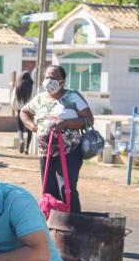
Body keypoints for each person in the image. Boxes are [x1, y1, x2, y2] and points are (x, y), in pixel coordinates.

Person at [20, 65, 93, 213]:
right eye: (46, 77)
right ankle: (53, 227)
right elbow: (24, 111)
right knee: (48, 190)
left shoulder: (73, 97)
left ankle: (73, 223)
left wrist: (67, 123)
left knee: (66, 189)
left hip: (69, 151)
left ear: (62, 81)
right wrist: (33, 127)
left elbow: (89, 119)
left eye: (53, 77)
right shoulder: (40, 98)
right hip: (45, 152)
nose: (48, 80)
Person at [11, 72, 35, 154]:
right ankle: (27, 148)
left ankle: (21, 140)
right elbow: (35, 98)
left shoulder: (17, 86)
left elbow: (13, 99)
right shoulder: (32, 86)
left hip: (20, 110)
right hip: (30, 110)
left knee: (20, 128)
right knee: (30, 129)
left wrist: (14, 107)